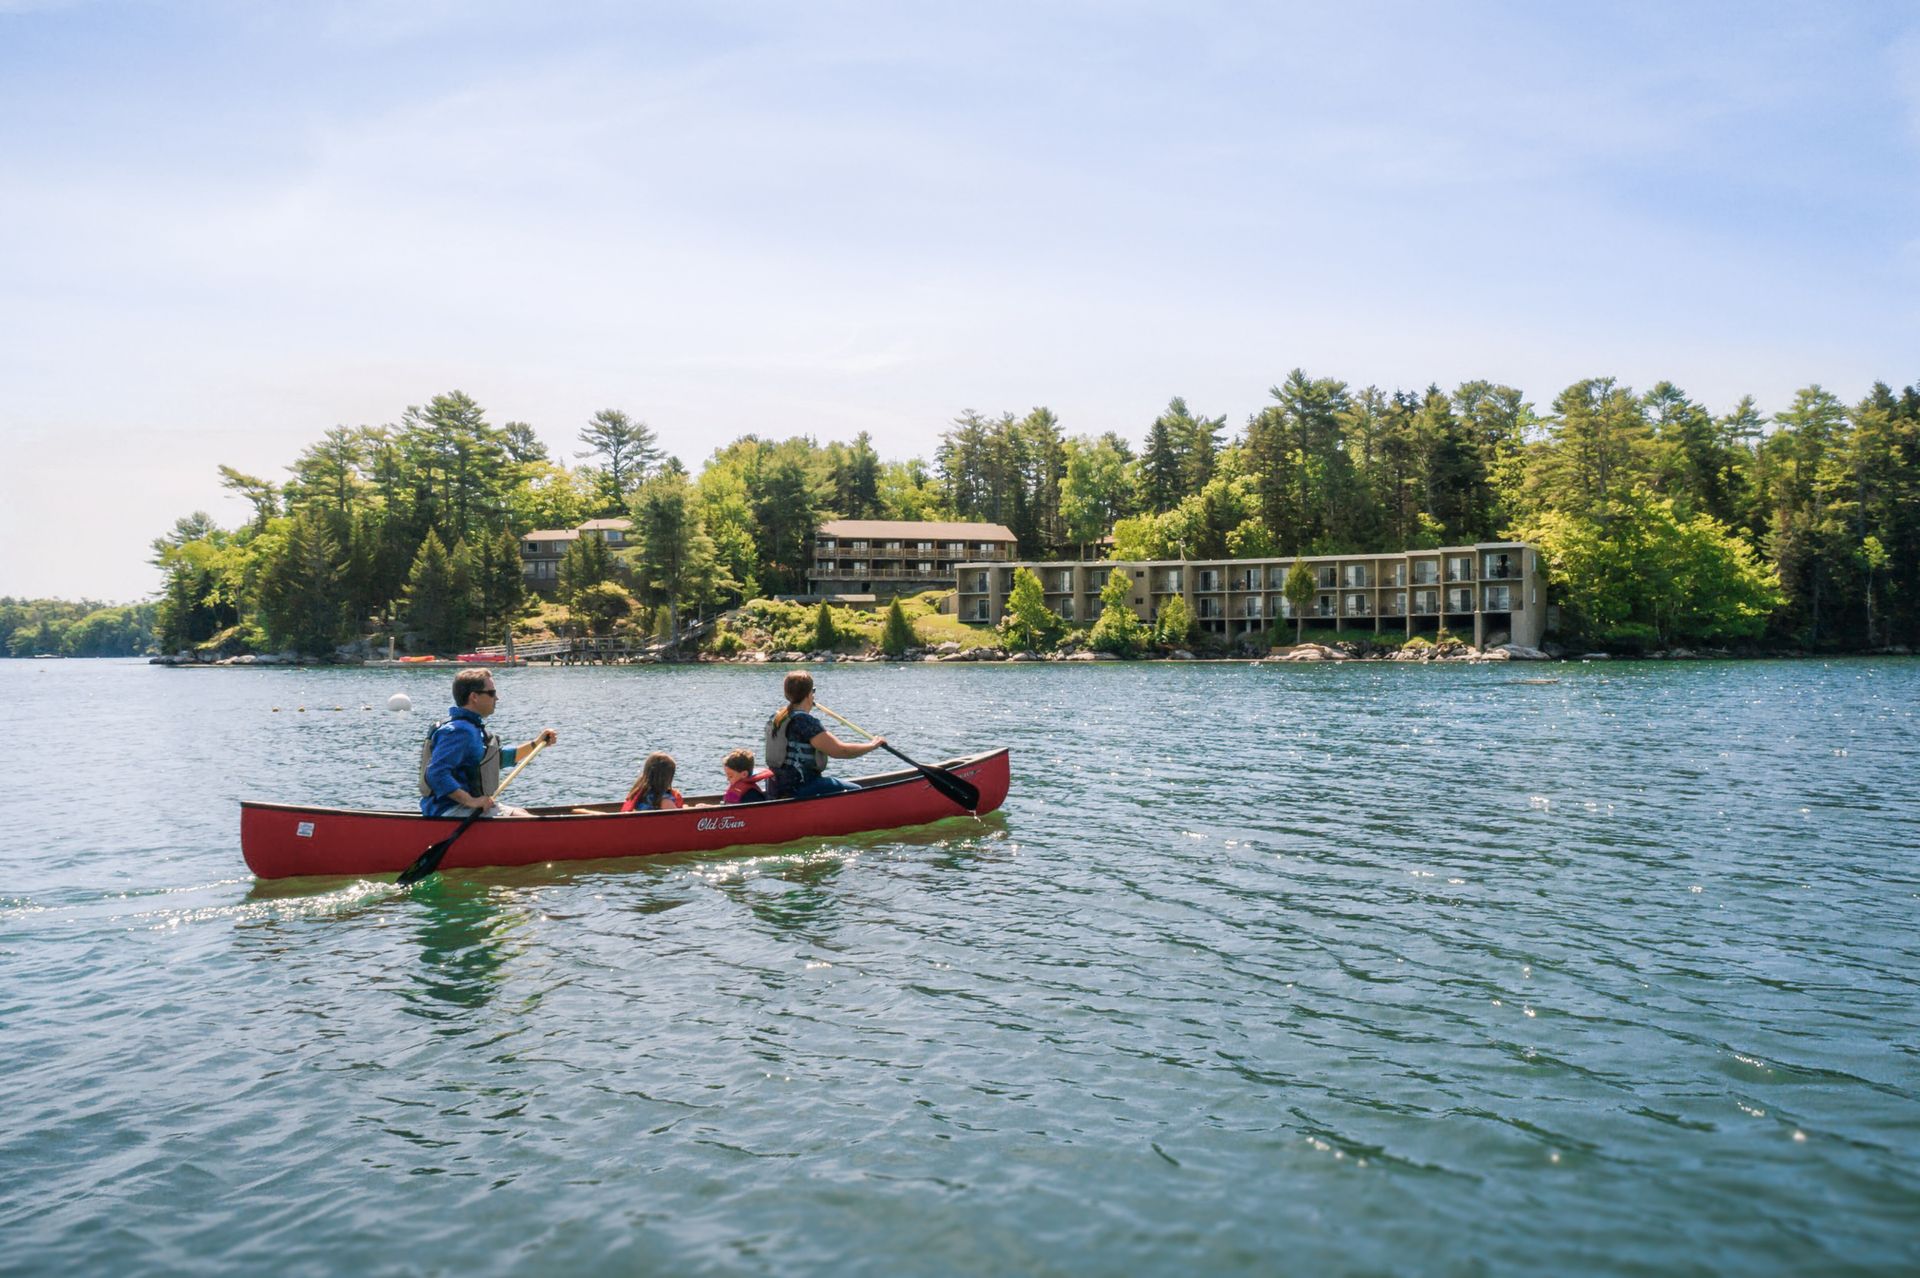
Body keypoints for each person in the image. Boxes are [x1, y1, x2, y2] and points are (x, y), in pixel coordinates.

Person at [419, 668, 558, 818]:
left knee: (522, 813)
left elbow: (496, 759)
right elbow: (436, 773)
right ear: (474, 697)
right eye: (491, 693)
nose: (496, 698)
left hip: (461, 810)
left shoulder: (470, 728)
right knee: (526, 821)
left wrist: (536, 744)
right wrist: (472, 801)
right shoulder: (459, 731)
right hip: (450, 811)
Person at [763, 670, 886, 799]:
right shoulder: (805, 721)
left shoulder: (777, 717)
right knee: (857, 791)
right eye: (813, 691)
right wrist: (873, 745)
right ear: (809, 694)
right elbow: (840, 751)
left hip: (776, 787)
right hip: (800, 787)